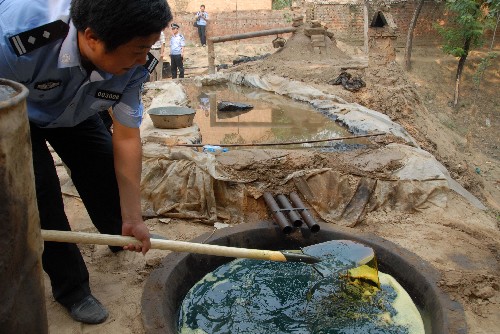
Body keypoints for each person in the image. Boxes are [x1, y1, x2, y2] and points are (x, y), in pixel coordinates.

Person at [0, 0, 172, 325]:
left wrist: (133, 216)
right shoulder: (17, 40)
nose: (143, 60)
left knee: (104, 164)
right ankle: (72, 289)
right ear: (92, 37)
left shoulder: (134, 65)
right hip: (17, 110)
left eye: (147, 48)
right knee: (42, 194)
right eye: (137, 50)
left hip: (76, 108)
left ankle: (117, 233)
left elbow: (126, 136)